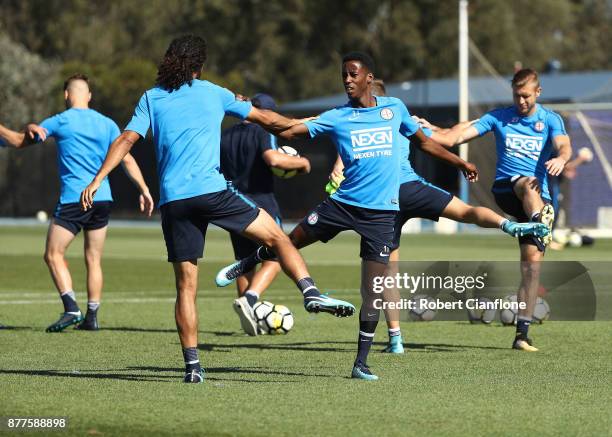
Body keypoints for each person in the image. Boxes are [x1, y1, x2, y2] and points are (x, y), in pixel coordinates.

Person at [80, 35, 355, 384]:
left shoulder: (151, 97)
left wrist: (96, 179)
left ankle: (193, 368)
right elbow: (267, 120)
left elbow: (125, 141)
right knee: (276, 235)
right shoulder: (214, 92)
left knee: (185, 288)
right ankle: (310, 291)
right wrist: (317, 124)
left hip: (174, 202)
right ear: (200, 65)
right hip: (211, 192)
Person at [215, 52, 486, 380]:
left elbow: (426, 145)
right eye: (343, 74)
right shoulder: (337, 116)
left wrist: (461, 163)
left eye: (353, 74)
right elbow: (285, 129)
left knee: (372, 291)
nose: (347, 80)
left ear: (369, 78)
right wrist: (248, 111)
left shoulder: (394, 109)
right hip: (341, 205)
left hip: (381, 215)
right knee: (290, 242)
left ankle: (361, 363)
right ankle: (248, 262)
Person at [329, 79, 549, 354]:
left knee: (382, 276)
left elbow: (344, 158)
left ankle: (395, 339)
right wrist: (445, 145)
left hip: (382, 201)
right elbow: (436, 142)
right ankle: (508, 224)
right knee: (465, 211)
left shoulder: (357, 123)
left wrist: (337, 171)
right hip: (412, 189)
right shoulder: (399, 114)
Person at [420, 68, 572, 351]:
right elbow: (454, 138)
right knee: (527, 183)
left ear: (537, 92)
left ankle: (521, 335)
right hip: (507, 189)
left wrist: (562, 159)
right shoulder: (499, 117)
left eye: (526, 96)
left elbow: (564, 146)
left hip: (540, 197)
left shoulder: (550, 120)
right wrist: (418, 128)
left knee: (531, 267)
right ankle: (541, 221)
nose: (521, 101)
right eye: (517, 95)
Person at [0, 74, 153, 332]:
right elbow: (126, 159)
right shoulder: (107, 124)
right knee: (93, 259)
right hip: (103, 198)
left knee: (53, 254)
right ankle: (92, 316)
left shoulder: (60, 121)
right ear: (90, 96)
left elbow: (22, 140)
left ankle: (71, 307)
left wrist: (22, 127)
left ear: (66, 96)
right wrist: (145, 189)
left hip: (75, 199)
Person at [220, 93, 311, 335]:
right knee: (278, 255)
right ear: (266, 113)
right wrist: (302, 163)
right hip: (262, 204)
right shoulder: (263, 131)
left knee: (243, 262)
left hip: (232, 205)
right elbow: (273, 159)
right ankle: (250, 299)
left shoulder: (225, 135)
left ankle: (247, 321)